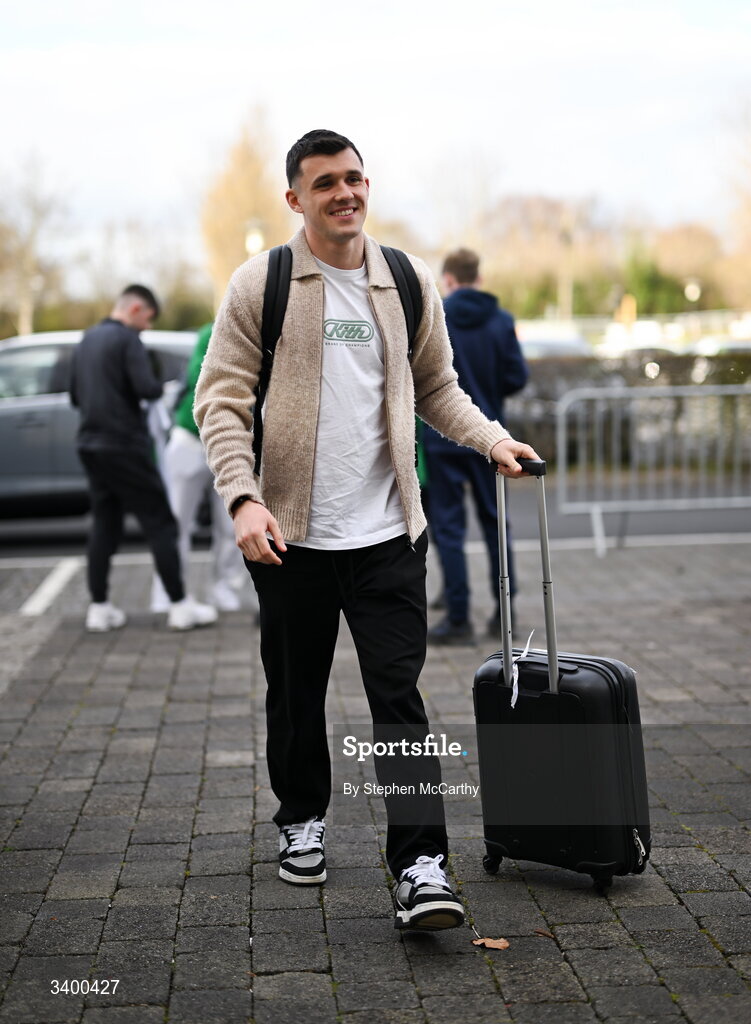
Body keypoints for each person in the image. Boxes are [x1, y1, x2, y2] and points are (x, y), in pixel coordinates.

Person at [194, 130, 540, 932]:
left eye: (353, 179)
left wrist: (491, 440)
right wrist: (243, 497)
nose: (344, 194)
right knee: (296, 693)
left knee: (399, 701)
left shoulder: (408, 281)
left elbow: (437, 387)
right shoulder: (263, 283)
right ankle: (301, 817)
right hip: (290, 535)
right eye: (325, 184)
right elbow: (220, 399)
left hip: (388, 533)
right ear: (295, 199)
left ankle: (421, 863)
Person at [69, 285, 218, 633]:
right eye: (148, 319)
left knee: (105, 524)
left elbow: (76, 396)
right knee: (161, 523)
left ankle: (99, 608)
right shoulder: (128, 341)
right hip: (124, 445)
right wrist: (162, 387)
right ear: (135, 309)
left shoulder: (86, 340)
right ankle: (180, 606)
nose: (147, 327)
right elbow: (146, 388)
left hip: (90, 444)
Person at [424, 248, 528, 645]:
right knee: (495, 523)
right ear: (477, 278)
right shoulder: (501, 321)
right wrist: (489, 391)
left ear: (448, 279)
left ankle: (459, 616)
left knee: (449, 529)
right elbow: (517, 376)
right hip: (492, 438)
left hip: (441, 438)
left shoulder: (438, 315)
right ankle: (506, 613)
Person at [150, 322, 248, 614]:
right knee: (177, 523)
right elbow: (199, 378)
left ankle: (224, 589)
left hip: (234, 445)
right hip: (192, 440)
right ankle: (168, 594)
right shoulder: (213, 331)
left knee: (231, 525)